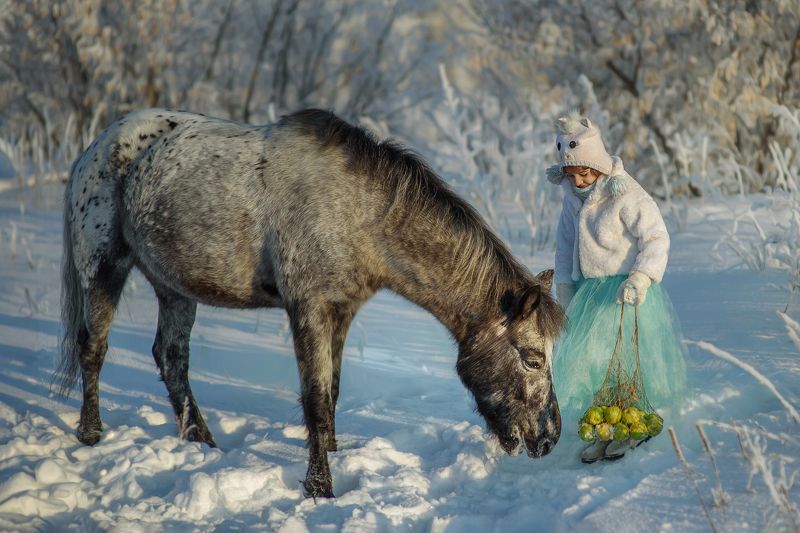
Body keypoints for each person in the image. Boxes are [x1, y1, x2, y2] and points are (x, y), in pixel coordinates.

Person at [546, 112, 688, 463]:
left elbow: (656, 236)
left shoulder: (625, 193)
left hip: (626, 294)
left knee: (627, 363)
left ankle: (633, 426)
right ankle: (606, 426)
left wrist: (641, 276)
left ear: (598, 166)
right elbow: (565, 247)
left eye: (585, 173)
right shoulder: (571, 201)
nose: (578, 181)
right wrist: (564, 286)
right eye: (572, 174)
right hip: (591, 295)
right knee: (599, 364)